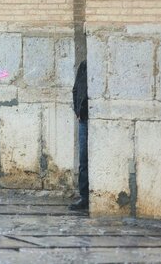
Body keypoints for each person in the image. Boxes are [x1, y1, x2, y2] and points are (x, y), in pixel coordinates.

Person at [69, 60, 89, 211]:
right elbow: (76, 89)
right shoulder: (83, 65)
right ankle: (85, 197)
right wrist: (77, 110)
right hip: (84, 118)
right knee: (83, 159)